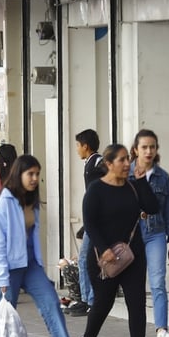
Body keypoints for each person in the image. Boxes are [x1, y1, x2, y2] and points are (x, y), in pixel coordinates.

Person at [0, 154, 88, 337]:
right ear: (18, 175)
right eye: (30, 174)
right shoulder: (3, 202)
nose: (34, 179)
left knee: (52, 304)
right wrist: (1, 276)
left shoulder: (31, 202)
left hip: (30, 265)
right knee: (5, 322)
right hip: (8, 269)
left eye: (37, 174)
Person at [77, 143, 160, 337]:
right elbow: (90, 224)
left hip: (132, 255)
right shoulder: (96, 190)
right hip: (103, 258)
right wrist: (104, 249)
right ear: (108, 164)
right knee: (103, 304)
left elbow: (152, 207)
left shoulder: (133, 187)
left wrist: (142, 181)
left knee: (137, 303)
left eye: (128, 160)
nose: (127, 164)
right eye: (122, 160)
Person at [130, 130, 169, 337]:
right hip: (132, 235)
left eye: (152, 147)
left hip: (156, 233)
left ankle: (161, 331)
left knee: (158, 282)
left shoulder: (163, 177)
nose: (149, 151)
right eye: (144, 147)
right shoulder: (126, 174)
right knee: (135, 286)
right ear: (135, 150)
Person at [70, 129, 106, 317]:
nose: (76, 149)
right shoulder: (89, 163)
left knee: (85, 259)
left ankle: (88, 300)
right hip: (92, 219)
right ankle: (88, 299)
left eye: (78, 145)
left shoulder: (98, 162)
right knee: (90, 259)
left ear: (86, 146)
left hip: (97, 220)